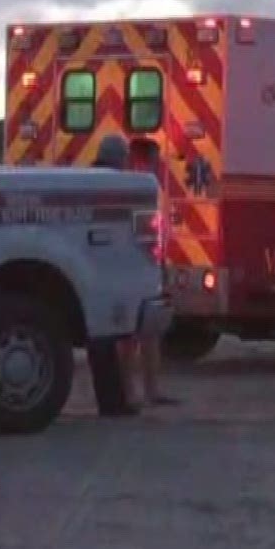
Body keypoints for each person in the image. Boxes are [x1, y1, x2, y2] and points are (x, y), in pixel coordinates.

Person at [118, 138, 179, 408]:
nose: (157, 165)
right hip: (135, 269)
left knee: (149, 334)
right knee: (131, 336)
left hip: (147, 267)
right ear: (141, 159)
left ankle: (148, 391)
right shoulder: (136, 188)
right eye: (153, 159)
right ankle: (131, 392)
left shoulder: (146, 188)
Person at [85, 135, 139, 416]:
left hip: (85, 268)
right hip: (107, 271)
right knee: (108, 340)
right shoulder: (116, 184)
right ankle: (113, 403)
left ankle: (111, 401)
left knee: (99, 345)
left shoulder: (87, 180)